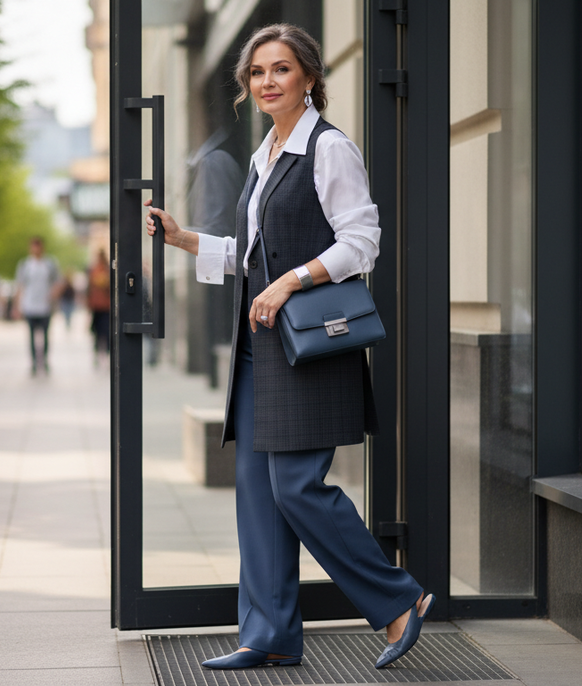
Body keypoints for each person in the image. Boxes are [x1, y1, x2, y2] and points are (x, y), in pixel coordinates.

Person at [144, 23, 431, 671]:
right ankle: (268, 634)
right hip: (261, 347)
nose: (267, 81)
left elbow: (362, 243)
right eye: (257, 72)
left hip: (310, 347)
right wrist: (185, 239)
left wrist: (292, 281)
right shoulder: (264, 156)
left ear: (309, 77)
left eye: (281, 69)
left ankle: (399, 599)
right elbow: (253, 257)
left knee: (297, 487)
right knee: (257, 492)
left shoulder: (328, 149)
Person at [14, 237, 62, 375]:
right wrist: (17, 306)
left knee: (45, 336)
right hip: (29, 305)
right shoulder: (25, 265)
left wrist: (53, 294)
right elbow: (20, 286)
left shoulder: (50, 264)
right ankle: (34, 362)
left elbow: (58, 282)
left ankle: (45, 360)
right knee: (31, 336)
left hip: (45, 306)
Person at [87, 249, 111, 367]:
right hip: (97, 306)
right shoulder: (94, 270)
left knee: (106, 331)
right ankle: (98, 354)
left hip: (106, 306)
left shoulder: (107, 270)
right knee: (97, 332)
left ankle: (106, 354)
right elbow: (89, 288)